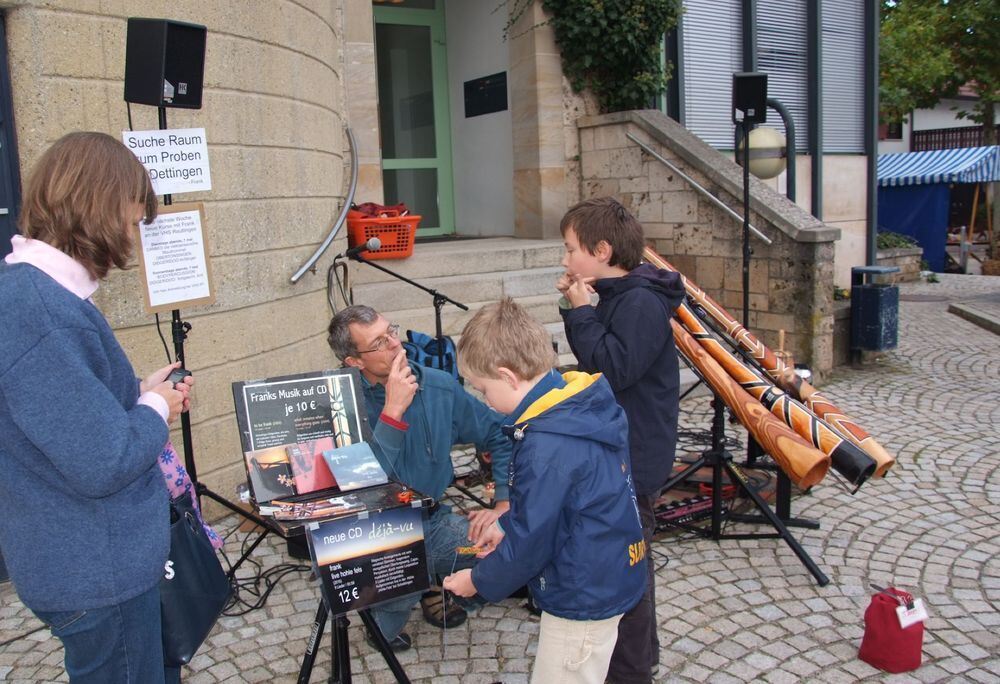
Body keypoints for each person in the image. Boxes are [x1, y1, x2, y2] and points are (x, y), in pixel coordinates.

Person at [0, 131, 192, 683]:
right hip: (94, 569)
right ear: (102, 207)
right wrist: (153, 406)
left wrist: (135, 394)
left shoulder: (40, 296)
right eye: (133, 220)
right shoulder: (38, 308)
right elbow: (102, 460)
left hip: (89, 559)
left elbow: (61, 415)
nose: (133, 237)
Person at [443, 298, 646, 684]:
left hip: (582, 591)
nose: (486, 401)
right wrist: (506, 525)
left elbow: (535, 538)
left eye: (484, 390)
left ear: (508, 376)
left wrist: (479, 580)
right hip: (605, 566)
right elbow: (558, 506)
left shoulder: (547, 444)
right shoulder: (572, 406)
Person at [326, 305, 513, 650]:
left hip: (433, 522)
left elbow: (501, 434)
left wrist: (502, 502)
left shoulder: (439, 386)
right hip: (375, 534)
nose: (396, 345)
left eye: (391, 332)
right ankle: (409, 588)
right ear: (354, 361)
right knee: (385, 630)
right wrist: (393, 411)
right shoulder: (339, 403)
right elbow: (360, 486)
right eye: (379, 343)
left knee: (507, 546)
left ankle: (437, 580)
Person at [556, 196, 685, 684]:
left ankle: (631, 671)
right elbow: (599, 363)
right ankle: (640, 656)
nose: (566, 260)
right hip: (620, 452)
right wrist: (581, 310)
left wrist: (580, 310)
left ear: (603, 250)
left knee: (628, 570)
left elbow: (613, 368)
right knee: (632, 563)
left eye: (571, 249)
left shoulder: (639, 303)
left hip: (636, 457)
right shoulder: (619, 297)